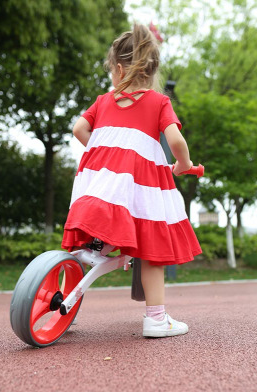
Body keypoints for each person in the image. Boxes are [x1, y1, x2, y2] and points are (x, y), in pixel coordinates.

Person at [62, 23, 202, 337]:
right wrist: (184, 163)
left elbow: (78, 130)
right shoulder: (158, 102)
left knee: (94, 230)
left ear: (120, 68)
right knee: (152, 249)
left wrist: (106, 152)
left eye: (111, 69)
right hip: (138, 188)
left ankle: (79, 274)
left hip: (99, 185)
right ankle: (155, 319)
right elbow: (176, 139)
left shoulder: (103, 101)